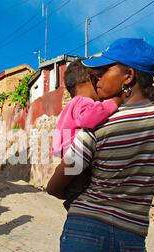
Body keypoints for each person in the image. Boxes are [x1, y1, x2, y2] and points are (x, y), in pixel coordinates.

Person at [47, 38, 154, 252]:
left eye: (104, 70)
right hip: (131, 240)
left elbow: (56, 186)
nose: (97, 78)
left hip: (85, 234)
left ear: (128, 75)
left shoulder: (99, 123)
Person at [52, 58, 120, 210]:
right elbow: (88, 119)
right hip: (79, 159)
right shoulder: (84, 101)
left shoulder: (73, 103)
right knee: (81, 190)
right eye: (99, 81)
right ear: (92, 80)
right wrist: (113, 102)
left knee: (77, 190)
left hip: (72, 159)